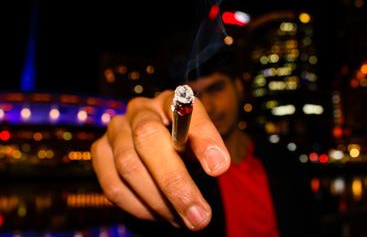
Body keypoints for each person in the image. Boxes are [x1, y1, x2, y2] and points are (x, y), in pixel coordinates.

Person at [90, 47, 321, 236]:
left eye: (216, 88)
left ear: (238, 87)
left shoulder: (283, 161)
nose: (207, 107)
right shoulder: (187, 171)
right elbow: (149, 225)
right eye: (196, 95)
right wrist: (135, 161)